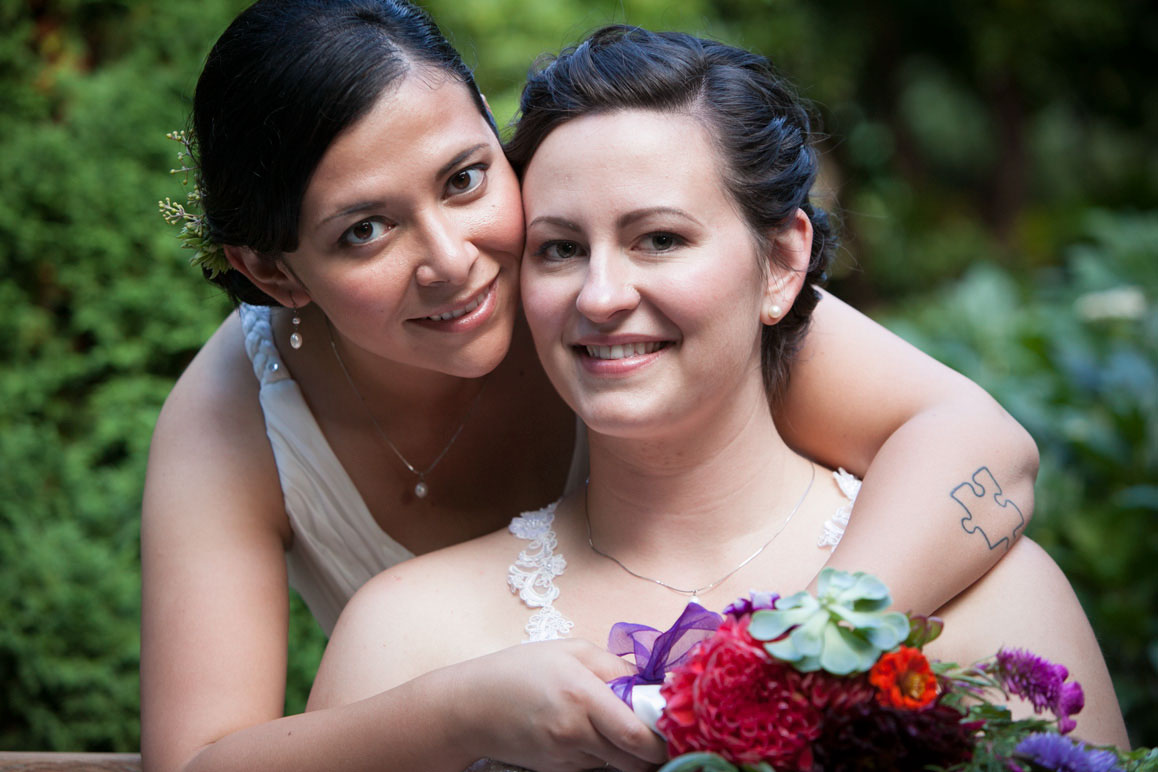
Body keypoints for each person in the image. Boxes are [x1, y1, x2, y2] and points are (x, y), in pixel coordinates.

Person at [141, 2, 1041, 771]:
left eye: (465, 178)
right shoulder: (233, 418)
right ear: (272, 272)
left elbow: (984, 451)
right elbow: (197, 759)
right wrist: (456, 712)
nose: (455, 263)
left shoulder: (605, 300)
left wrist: (799, 660)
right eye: (365, 231)